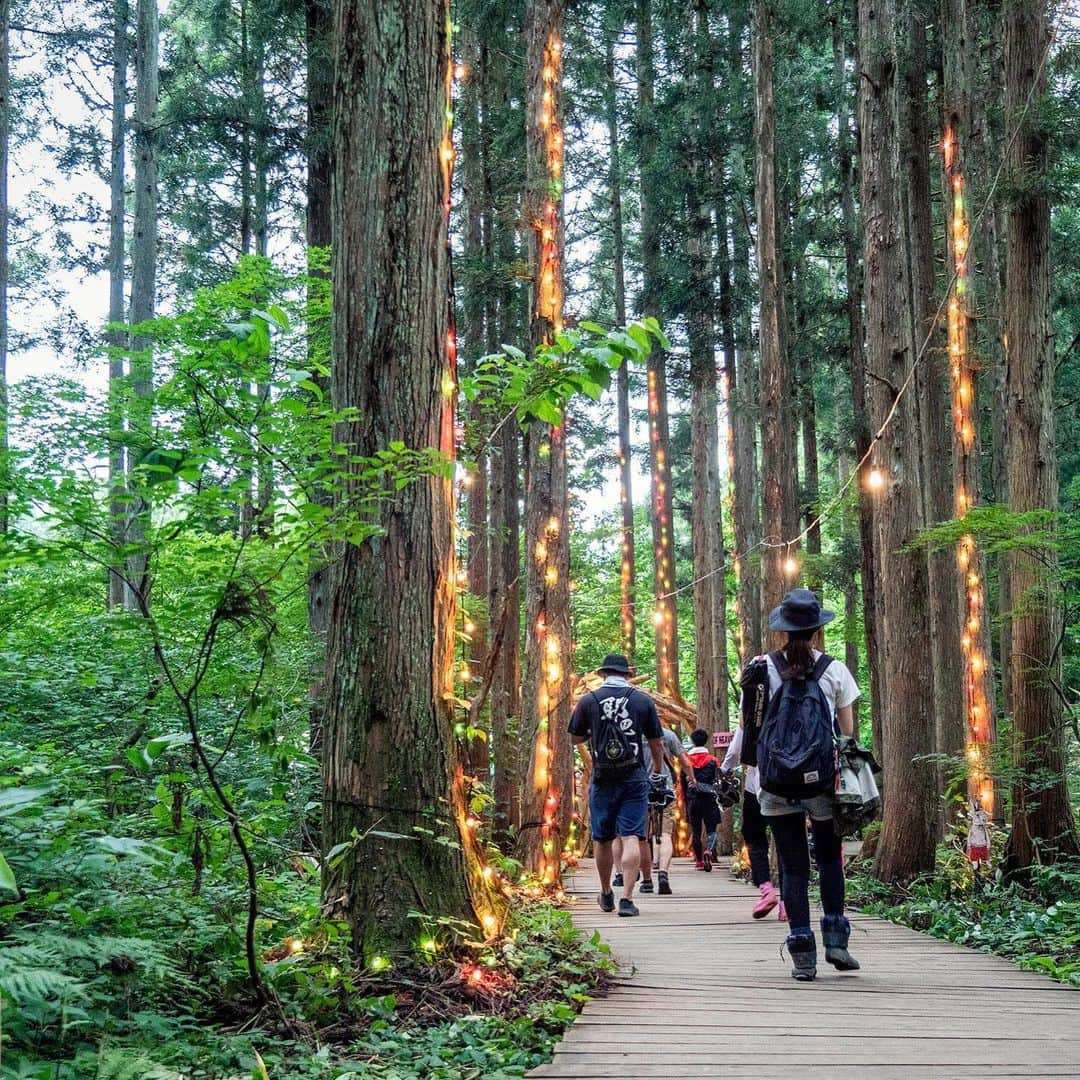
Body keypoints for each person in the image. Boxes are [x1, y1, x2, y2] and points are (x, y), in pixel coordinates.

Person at [755, 588, 861, 981]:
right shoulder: (834, 670)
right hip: (822, 782)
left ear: (783, 630)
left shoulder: (762, 667)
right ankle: (836, 938)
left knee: (793, 863)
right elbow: (848, 733)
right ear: (817, 630)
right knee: (830, 856)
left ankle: (802, 950)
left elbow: (752, 728)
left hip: (777, 780)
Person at [569, 653, 664, 917]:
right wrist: (656, 770)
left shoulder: (589, 700)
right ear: (627, 674)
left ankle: (606, 893)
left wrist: (593, 733)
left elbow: (575, 736)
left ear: (602, 674)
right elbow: (656, 741)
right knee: (632, 835)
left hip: (602, 776)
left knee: (603, 838)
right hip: (634, 776)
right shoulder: (642, 701)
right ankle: (627, 899)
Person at [722, 726, 785, 920]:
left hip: (757, 785)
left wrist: (725, 767)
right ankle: (788, 902)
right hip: (791, 783)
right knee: (789, 842)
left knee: (753, 836)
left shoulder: (755, 697)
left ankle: (767, 889)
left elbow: (737, 745)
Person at [650, 722, 697, 894]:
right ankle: (663, 873)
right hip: (665, 790)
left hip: (640, 789)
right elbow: (685, 761)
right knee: (665, 834)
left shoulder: (633, 734)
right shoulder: (668, 735)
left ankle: (647, 878)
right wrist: (692, 778)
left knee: (640, 836)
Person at [684, 729, 723, 871]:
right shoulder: (713, 760)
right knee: (712, 829)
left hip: (693, 799)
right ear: (706, 741)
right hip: (709, 799)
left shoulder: (686, 760)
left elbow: (683, 783)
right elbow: (719, 780)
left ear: (693, 741)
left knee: (695, 831)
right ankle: (709, 851)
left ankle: (699, 862)